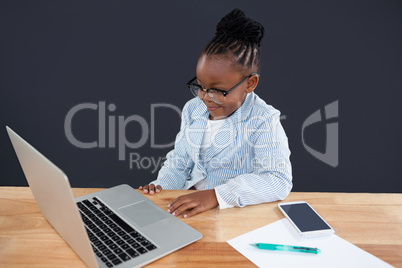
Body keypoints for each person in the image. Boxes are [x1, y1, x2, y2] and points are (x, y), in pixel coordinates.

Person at [139, 8, 292, 218]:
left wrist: (217, 195)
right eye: (200, 86)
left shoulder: (263, 121)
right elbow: (180, 162)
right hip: (188, 211)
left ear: (250, 83)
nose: (205, 97)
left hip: (228, 216)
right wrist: (161, 188)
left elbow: (277, 179)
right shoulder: (194, 109)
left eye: (219, 91)